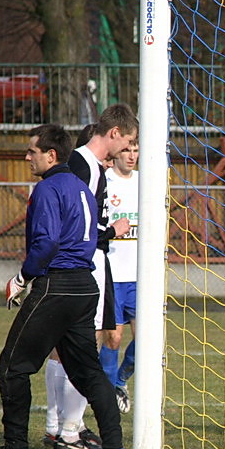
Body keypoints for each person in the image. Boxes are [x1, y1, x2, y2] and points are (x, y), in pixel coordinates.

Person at [0, 123, 125, 449]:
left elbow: (47, 243)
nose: (27, 156)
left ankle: (16, 447)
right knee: (88, 372)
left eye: (32, 151)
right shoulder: (83, 188)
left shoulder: (47, 189)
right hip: (86, 287)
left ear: (51, 154)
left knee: (12, 366)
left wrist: (21, 277)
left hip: (56, 286)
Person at [46, 106, 137, 449]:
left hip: (84, 265)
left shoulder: (87, 166)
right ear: (113, 134)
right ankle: (68, 430)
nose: (128, 150)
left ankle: (60, 428)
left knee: (69, 346)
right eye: (127, 141)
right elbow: (79, 225)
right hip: (86, 267)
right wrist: (110, 231)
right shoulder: (86, 168)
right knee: (83, 347)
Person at [99, 140, 140, 411]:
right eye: (126, 150)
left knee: (148, 340)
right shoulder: (104, 181)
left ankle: (121, 378)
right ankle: (110, 395)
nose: (132, 156)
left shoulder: (147, 181)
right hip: (113, 274)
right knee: (113, 338)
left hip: (141, 277)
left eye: (136, 150)